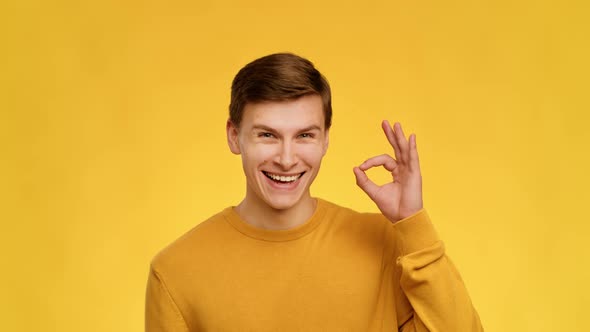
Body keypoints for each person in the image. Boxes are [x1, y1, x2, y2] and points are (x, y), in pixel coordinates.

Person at [145, 53, 483, 331]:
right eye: (267, 135)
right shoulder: (176, 271)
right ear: (234, 136)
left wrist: (413, 224)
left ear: (325, 139)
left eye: (304, 135)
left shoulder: (386, 246)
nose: (287, 158)